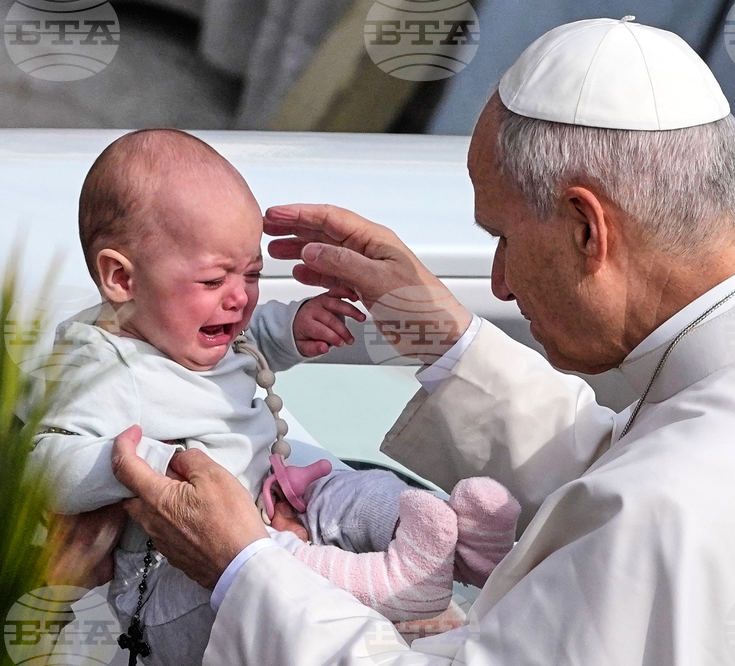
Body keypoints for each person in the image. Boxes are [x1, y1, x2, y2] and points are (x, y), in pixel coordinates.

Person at [105, 18, 735, 665]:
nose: (497, 283)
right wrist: (438, 338)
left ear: (585, 225)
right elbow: (629, 460)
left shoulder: (673, 511)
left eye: (502, 236)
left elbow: (650, 499)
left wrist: (246, 571)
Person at [31, 129, 520, 665]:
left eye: (254, 273)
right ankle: (392, 582)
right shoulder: (98, 364)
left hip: (274, 494)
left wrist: (292, 327)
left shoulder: (185, 327)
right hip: (177, 578)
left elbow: (250, 337)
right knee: (268, 563)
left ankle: (457, 542)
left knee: (353, 489)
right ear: (121, 277)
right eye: (215, 279)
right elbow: (43, 461)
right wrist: (137, 464)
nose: (239, 297)